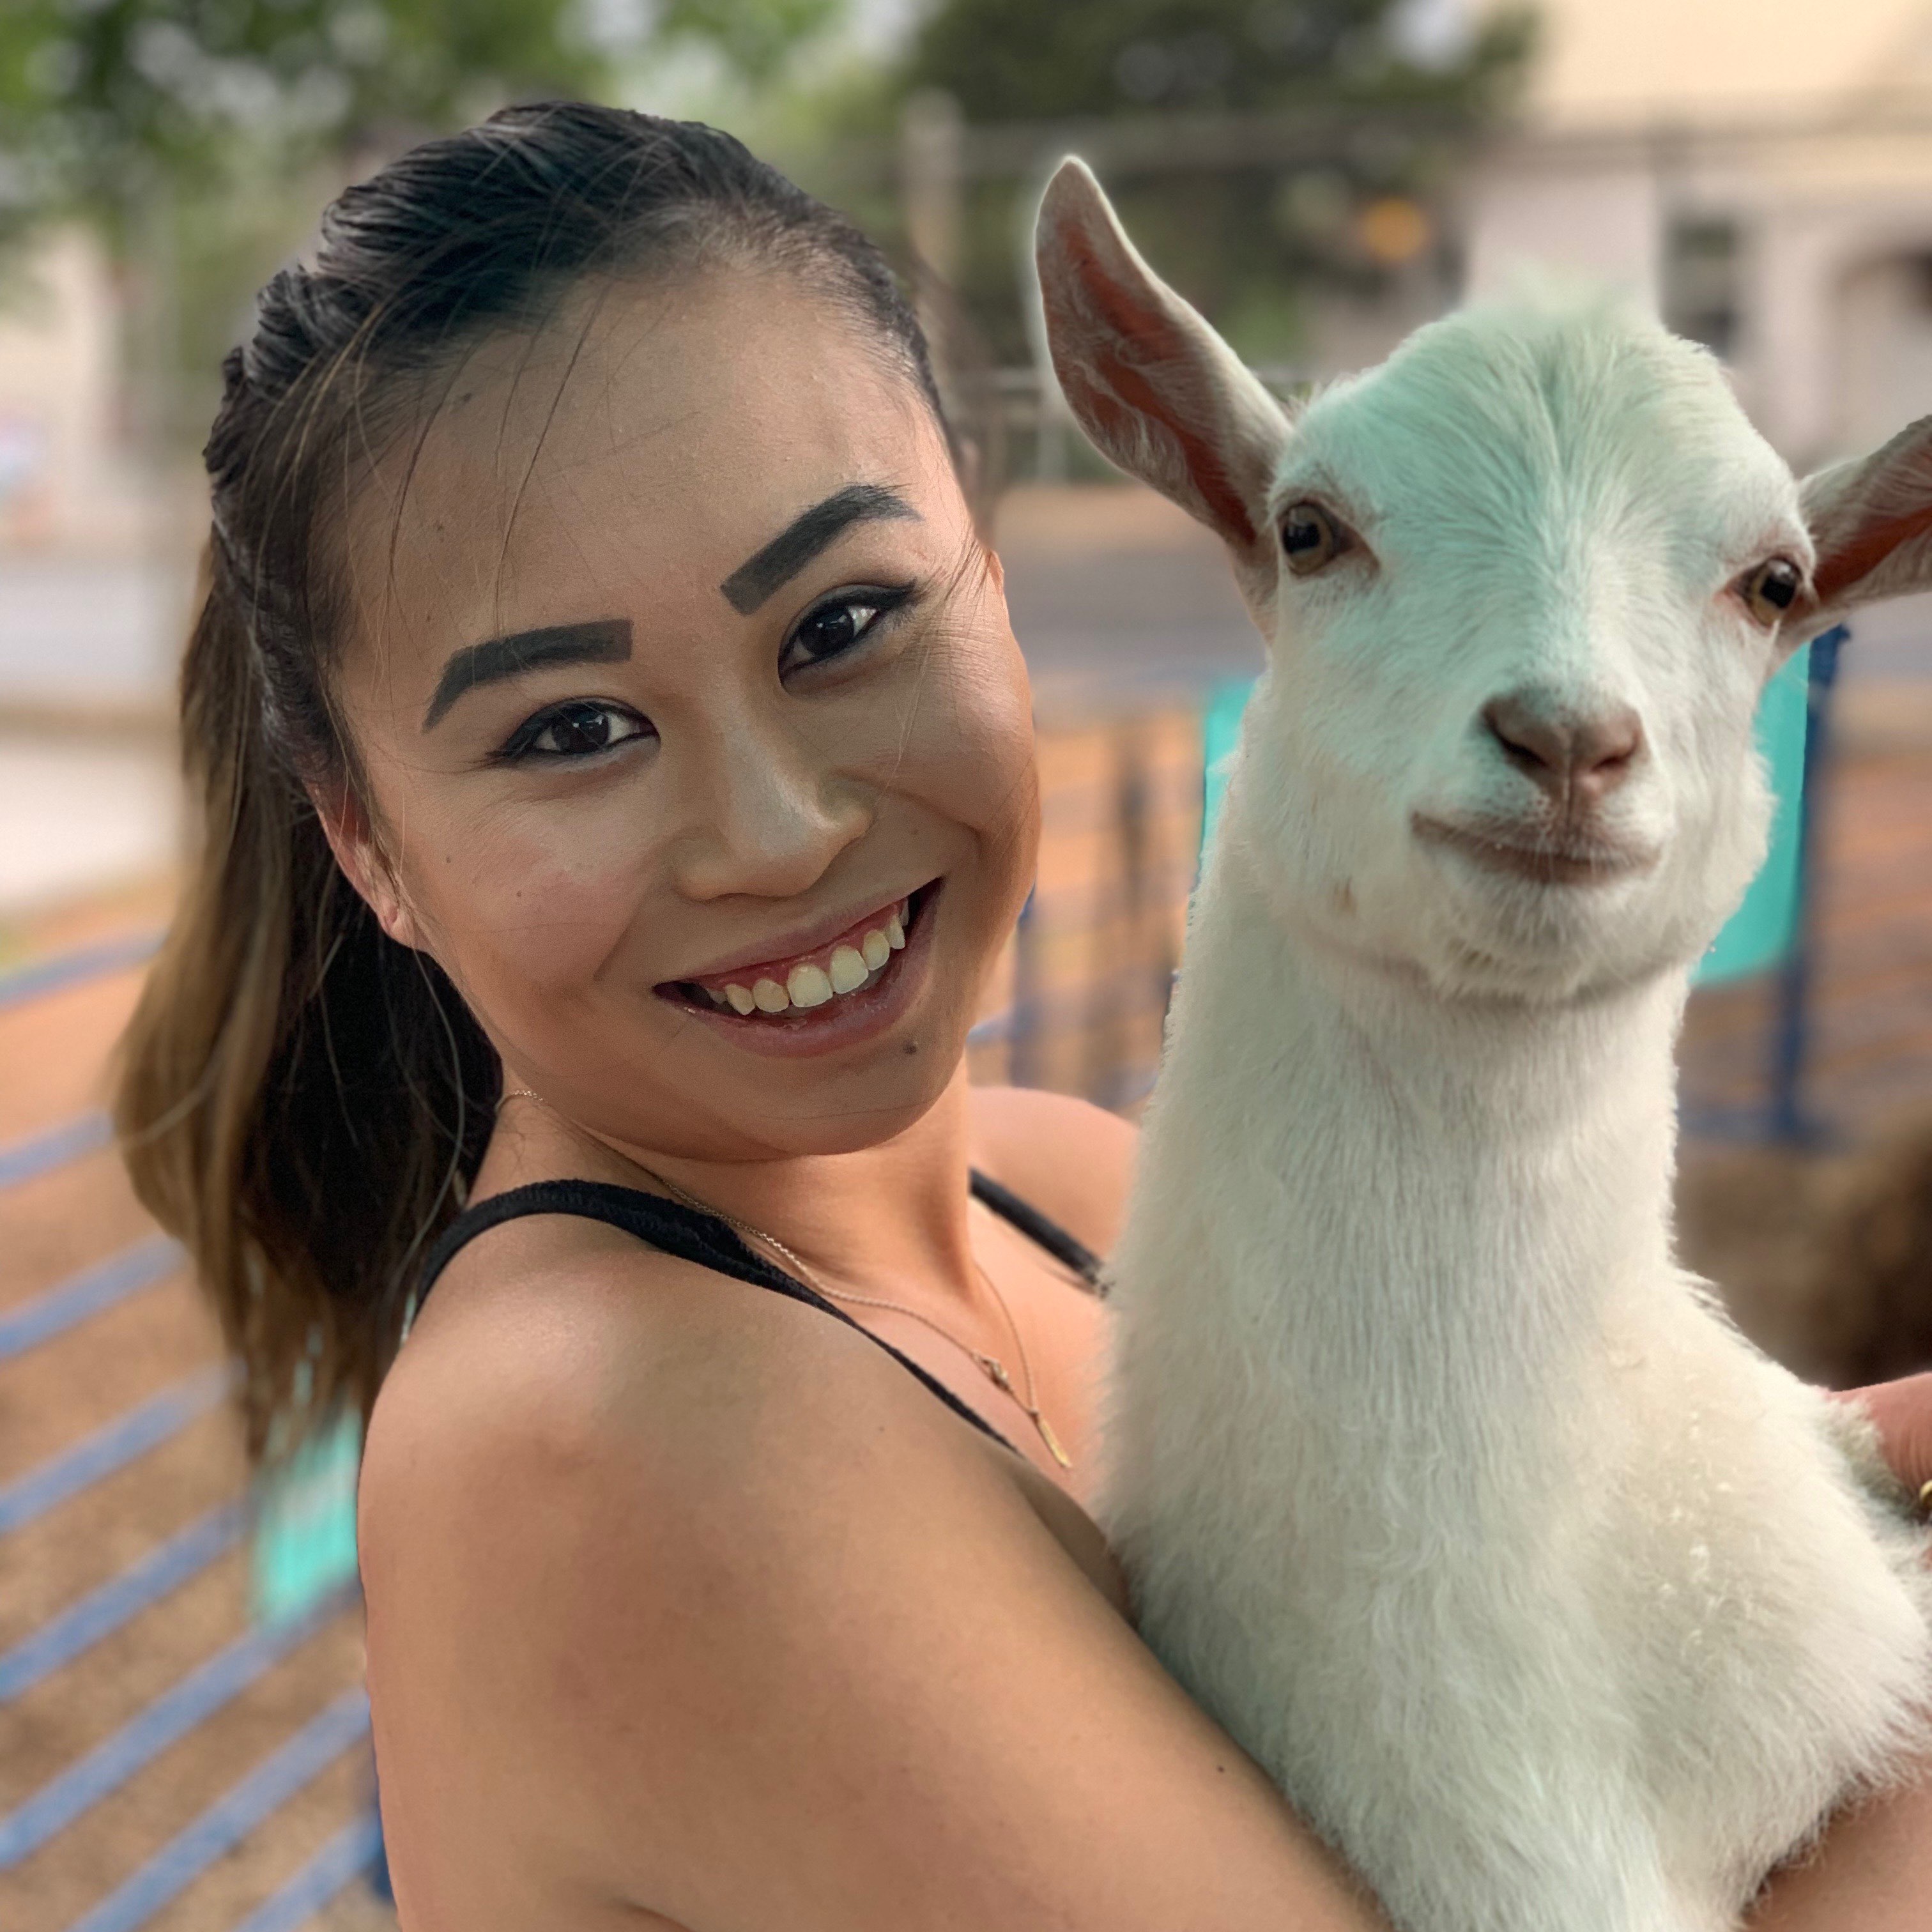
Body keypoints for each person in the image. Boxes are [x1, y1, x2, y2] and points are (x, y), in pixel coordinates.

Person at [115, 101, 1932, 1930]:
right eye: (570, 729)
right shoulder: (620, 1449)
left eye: (841, 624)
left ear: (994, 575)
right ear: (369, 845)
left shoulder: (1059, 1197)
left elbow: (1561, 1591)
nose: (778, 832)